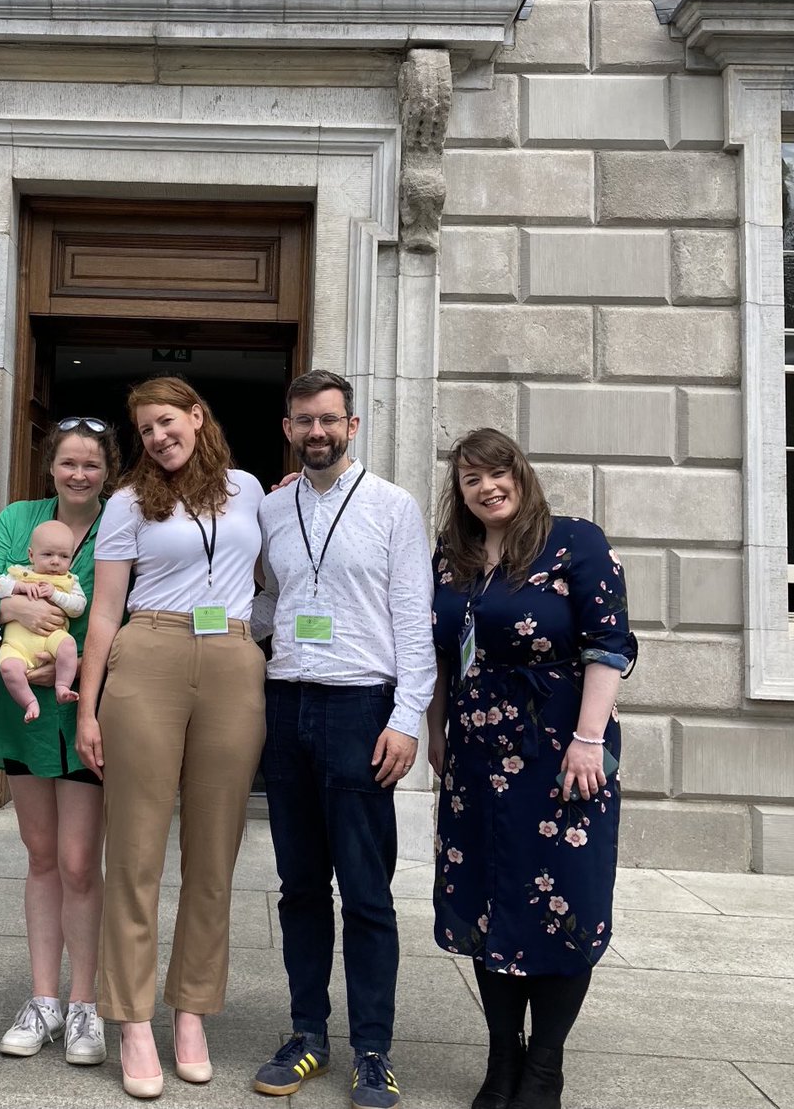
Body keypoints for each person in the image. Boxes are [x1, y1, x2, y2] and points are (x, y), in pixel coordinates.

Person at [426, 428, 637, 1109]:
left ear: (520, 473)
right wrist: (437, 732)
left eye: (496, 472)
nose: (486, 486)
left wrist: (587, 737)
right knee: (488, 900)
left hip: (558, 751)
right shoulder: (453, 556)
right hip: (476, 755)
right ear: (458, 492)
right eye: (470, 478)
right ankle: (501, 1059)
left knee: (561, 901)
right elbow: (440, 656)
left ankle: (544, 1067)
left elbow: (609, 643)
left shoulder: (575, 541)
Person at [76, 377, 267, 1100]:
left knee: (214, 852)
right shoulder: (127, 502)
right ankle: (129, 1019)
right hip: (148, 654)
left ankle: (190, 1012)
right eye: (145, 429)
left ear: (196, 416)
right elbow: (103, 611)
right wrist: (88, 709)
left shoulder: (251, 490)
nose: (158, 436)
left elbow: (280, 572)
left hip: (232, 661)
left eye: (167, 421)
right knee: (134, 852)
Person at [251, 369, 436, 1109]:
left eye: (330, 420)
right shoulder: (269, 509)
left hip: (363, 706)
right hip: (287, 700)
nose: (317, 432)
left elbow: (413, 617)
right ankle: (307, 1033)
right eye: (304, 421)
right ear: (288, 428)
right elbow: (268, 600)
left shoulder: (393, 506)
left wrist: (406, 717)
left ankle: (372, 1049)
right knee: (299, 886)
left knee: (365, 891)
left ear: (351, 426)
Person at [0, 417, 119, 1067]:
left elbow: (124, 608)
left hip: (86, 711)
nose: (78, 473)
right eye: (67, 463)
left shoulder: (123, 521)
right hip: (20, 710)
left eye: (91, 463)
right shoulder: (18, 517)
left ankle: (85, 1004)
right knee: (42, 852)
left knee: (82, 860)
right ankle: (44, 999)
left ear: (108, 469)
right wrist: (16, 610)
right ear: (50, 466)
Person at [0, 518, 87, 719]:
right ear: (31, 555)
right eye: (47, 554)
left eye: (64, 556)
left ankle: (62, 686)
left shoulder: (69, 581)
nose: (55, 561)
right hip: (16, 644)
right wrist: (19, 588)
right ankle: (29, 702)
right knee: (8, 667)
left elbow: (78, 607)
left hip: (51, 639)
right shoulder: (20, 574)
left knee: (68, 646)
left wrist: (55, 595)